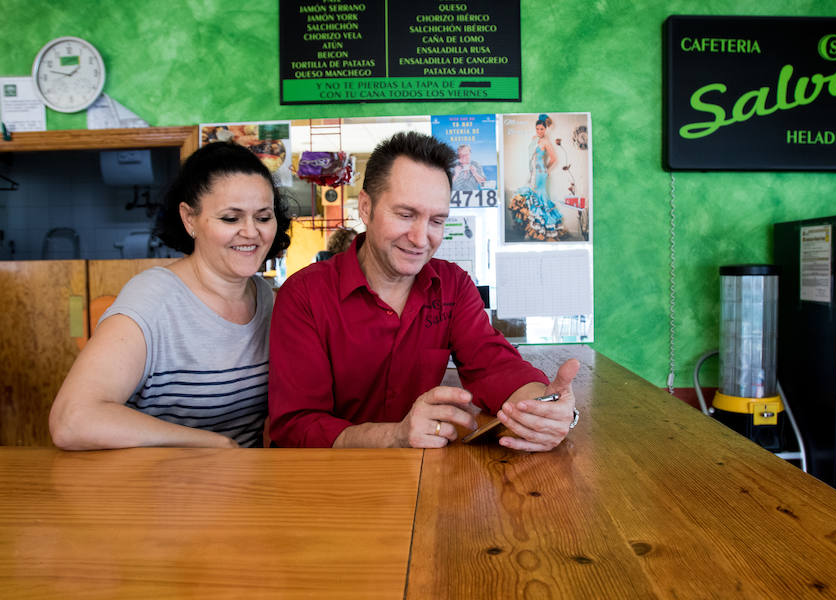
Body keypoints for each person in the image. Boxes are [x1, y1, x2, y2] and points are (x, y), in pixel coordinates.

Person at [268, 131, 580, 451]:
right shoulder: (304, 295)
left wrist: (544, 408)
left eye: (437, 221)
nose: (421, 238)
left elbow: (494, 365)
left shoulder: (453, 285)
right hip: (328, 483)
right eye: (406, 215)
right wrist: (393, 437)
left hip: (426, 478)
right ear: (365, 207)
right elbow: (295, 426)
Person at [49, 142, 292, 450]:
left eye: (263, 217)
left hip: (244, 486)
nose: (251, 232)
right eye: (231, 218)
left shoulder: (267, 299)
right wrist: (214, 444)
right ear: (190, 219)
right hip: (161, 488)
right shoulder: (152, 299)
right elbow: (72, 420)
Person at [509, 114, 566, 241]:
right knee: (530, 196)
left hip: (540, 173)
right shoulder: (534, 138)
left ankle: (543, 230)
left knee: (539, 197)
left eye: (542, 129)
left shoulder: (546, 142)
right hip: (532, 171)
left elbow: (554, 158)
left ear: (545, 129)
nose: (539, 131)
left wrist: (547, 170)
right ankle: (533, 229)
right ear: (535, 129)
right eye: (537, 129)